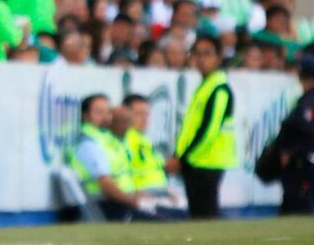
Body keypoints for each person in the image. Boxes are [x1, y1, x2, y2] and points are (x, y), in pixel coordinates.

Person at [167, 35, 237, 219]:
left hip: (207, 161)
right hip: (197, 160)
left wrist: (182, 158)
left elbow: (208, 131)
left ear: (219, 57)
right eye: (197, 53)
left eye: (207, 54)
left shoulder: (219, 89)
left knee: (205, 215)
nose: (201, 59)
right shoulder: (206, 86)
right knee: (199, 214)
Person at [68, 94, 150, 221]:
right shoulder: (88, 143)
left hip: (124, 200)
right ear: (85, 115)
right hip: (108, 205)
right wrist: (135, 202)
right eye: (99, 112)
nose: (105, 116)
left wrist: (140, 195)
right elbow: (106, 184)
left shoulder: (107, 138)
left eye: (108, 111)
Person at [273, 55, 314, 215]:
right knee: (293, 207)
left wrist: (292, 153)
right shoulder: (312, 100)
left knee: (299, 207)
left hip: (303, 165)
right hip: (304, 164)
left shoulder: (311, 102)